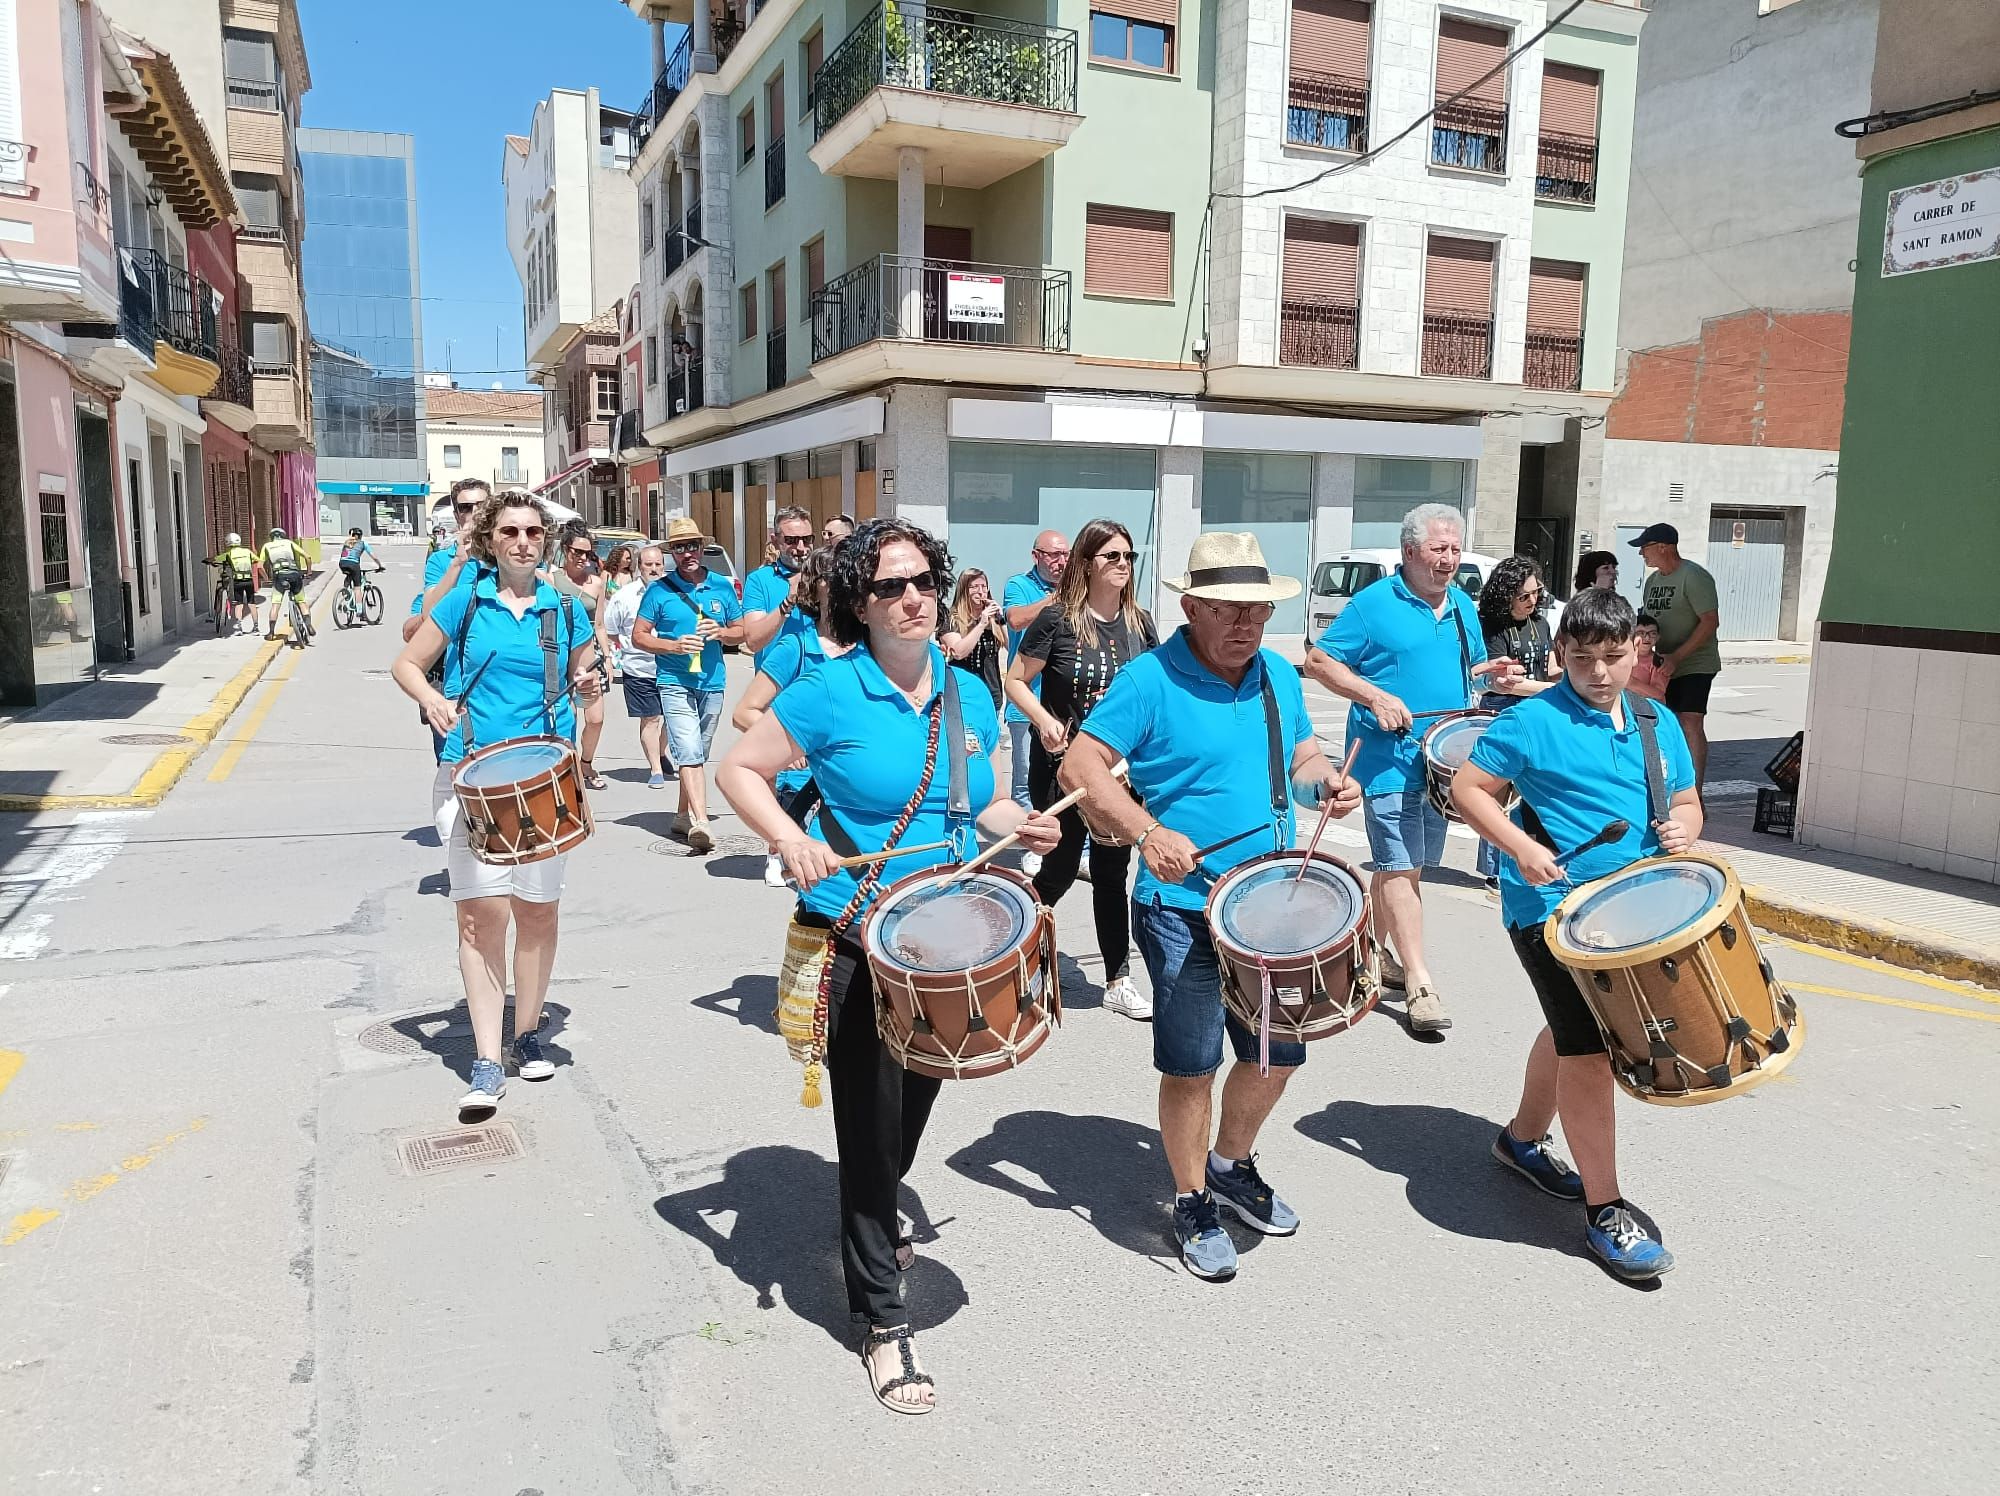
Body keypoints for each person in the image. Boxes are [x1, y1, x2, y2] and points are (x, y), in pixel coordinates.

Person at [715, 518, 1061, 1413]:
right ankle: (882, 1322)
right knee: (869, 1133)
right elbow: (740, 772)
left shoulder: (966, 692)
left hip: (946, 940)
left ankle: (868, 1204)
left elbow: (980, 804)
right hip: (860, 938)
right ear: (857, 605)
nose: (913, 599)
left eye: (923, 582)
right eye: (889, 588)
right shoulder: (829, 692)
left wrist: (1019, 822)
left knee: (915, 1104)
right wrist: (792, 839)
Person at [1061, 533, 1361, 1282]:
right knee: (1193, 1066)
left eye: (1257, 611)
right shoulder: (1148, 679)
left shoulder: (1275, 678)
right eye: (1228, 611)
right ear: (1190, 606)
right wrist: (1148, 830)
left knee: (1278, 1053)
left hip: (1270, 905)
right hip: (1182, 905)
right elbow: (1080, 763)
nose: (1245, 626)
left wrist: (1323, 779)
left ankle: (1230, 1163)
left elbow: (1299, 755)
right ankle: (1192, 1197)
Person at [1452, 587, 1701, 1281]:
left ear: (1636, 653)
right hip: (1552, 911)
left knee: (1570, 1031)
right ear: (1560, 653)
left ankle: (1522, 1141)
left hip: (1636, 912)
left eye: (1614, 657)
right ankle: (1604, 1210)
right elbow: (1468, 790)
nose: (1598, 672)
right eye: (1582, 657)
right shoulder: (1531, 721)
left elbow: (1684, 800)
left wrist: (1688, 829)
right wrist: (1519, 848)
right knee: (1590, 1050)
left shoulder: (1655, 722)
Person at [391, 490, 602, 1118]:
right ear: (491, 539)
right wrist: (430, 701)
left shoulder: (565, 606)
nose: (522, 542)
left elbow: (590, 673)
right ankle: (486, 1059)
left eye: (533, 532)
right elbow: (407, 663)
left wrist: (593, 680)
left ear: (546, 541)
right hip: (470, 776)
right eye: (509, 531)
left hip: (543, 777)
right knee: (481, 917)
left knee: (537, 912)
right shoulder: (465, 599)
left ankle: (528, 1030)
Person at [1305, 504, 1521, 1032]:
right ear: (1409, 552)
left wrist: (1486, 675)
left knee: (1403, 867)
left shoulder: (1464, 606)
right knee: (1401, 868)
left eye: (1454, 549)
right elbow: (1318, 660)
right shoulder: (1373, 604)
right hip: (1386, 761)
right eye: (1438, 549)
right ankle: (1421, 983)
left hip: (1444, 762)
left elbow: (1456, 676)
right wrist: (1374, 695)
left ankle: (1371, 953)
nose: (1449, 559)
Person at [1005, 520, 1157, 1021]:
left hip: (1121, 775)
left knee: (1114, 874)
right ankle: (1015, 954)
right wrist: (1045, 721)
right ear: (1086, 563)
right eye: (1111, 556)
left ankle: (1117, 978)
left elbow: (1157, 694)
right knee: (1061, 867)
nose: (1122, 565)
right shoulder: (1057, 619)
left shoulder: (1141, 623)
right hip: (1063, 768)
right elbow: (1015, 681)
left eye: (1128, 557)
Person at [732, 546, 849, 887]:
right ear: (816, 587)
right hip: (805, 795)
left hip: (854, 790)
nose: (847, 583)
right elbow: (744, 713)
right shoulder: (796, 647)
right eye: (835, 576)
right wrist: (792, 746)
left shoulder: (871, 650)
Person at [633, 516, 745, 853]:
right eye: (679, 548)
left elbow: (742, 632)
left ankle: (682, 814)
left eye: (692, 546)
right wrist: (674, 645)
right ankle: (701, 821)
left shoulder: (722, 587)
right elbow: (639, 636)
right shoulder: (659, 591)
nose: (687, 553)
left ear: (701, 548)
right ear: (672, 554)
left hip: (712, 681)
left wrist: (721, 633)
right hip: (673, 680)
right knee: (689, 749)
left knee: (697, 752)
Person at [1472, 556, 1561, 884]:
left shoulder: (1541, 624)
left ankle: (1533, 859)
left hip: (1538, 714)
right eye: (1523, 596)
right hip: (1501, 715)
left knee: (1535, 789)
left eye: (1536, 593)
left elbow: (1549, 667)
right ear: (1505, 594)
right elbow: (1506, 682)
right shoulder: (1493, 628)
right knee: (1495, 795)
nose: (1532, 601)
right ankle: (1494, 871)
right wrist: (1554, 692)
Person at [1631, 523, 1721, 788]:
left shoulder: (1693, 576)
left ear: (1663, 547)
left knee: (1689, 720)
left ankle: (1695, 791)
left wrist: (1677, 658)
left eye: (1645, 548)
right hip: (1659, 665)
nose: (1641, 555)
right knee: (1661, 722)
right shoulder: (1652, 581)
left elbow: (1709, 621)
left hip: (1693, 664)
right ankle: (1666, 785)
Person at [1001, 531, 1070, 871]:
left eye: (1066, 555)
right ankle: (1029, 845)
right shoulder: (1018, 585)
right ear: (1036, 555)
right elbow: (1015, 620)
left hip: (1061, 705)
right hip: (1026, 699)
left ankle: (1074, 846)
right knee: (1027, 779)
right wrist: (1058, 598)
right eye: (1054, 555)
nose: (1061, 562)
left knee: (1067, 776)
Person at [603, 544, 672, 788]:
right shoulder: (625, 596)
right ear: (638, 567)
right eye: (648, 565)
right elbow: (611, 631)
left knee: (672, 720)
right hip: (638, 669)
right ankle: (655, 769)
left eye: (658, 564)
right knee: (651, 719)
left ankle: (662, 752)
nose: (654, 569)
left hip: (673, 667)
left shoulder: (675, 593)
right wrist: (614, 658)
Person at [742, 505, 816, 665]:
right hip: (774, 684)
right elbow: (753, 641)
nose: (801, 548)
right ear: (775, 541)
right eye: (792, 540)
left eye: (807, 539)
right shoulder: (758, 580)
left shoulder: (825, 578)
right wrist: (788, 602)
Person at [939, 568, 1006, 709]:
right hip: (963, 695)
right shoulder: (952, 620)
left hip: (991, 696)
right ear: (964, 590)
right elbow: (958, 652)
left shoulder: (993, 621)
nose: (980, 592)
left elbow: (1011, 648)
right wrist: (981, 624)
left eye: (983, 587)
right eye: (974, 587)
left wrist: (1001, 620)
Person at [255, 526, 310, 643]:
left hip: (279, 576)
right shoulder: (289, 543)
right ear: (283, 536)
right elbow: (307, 556)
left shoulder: (267, 546)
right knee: (301, 602)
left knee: (276, 604)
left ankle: (271, 633)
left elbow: (259, 566)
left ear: (272, 537)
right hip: (294, 574)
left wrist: (267, 579)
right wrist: (309, 571)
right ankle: (308, 624)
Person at [211, 532, 258, 634]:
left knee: (239, 604)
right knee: (251, 603)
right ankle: (256, 627)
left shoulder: (228, 554)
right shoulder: (247, 551)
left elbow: (215, 560)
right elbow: (256, 560)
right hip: (249, 580)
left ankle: (239, 628)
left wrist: (208, 560)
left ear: (227, 543)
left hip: (238, 582)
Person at [338, 528, 383, 610]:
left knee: (349, 576)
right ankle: (359, 609)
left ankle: (345, 595)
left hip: (342, 563)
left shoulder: (347, 542)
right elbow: (374, 557)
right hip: (354, 565)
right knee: (357, 588)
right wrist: (380, 566)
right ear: (361, 536)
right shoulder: (363, 543)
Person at [1628, 613, 1671, 701]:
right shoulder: (1623, 657)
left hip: (1648, 708)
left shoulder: (1658, 662)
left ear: (1658, 637)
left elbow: (1658, 693)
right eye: (1641, 633)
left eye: (1652, 633)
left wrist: (1631, 683)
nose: (1647, 638)